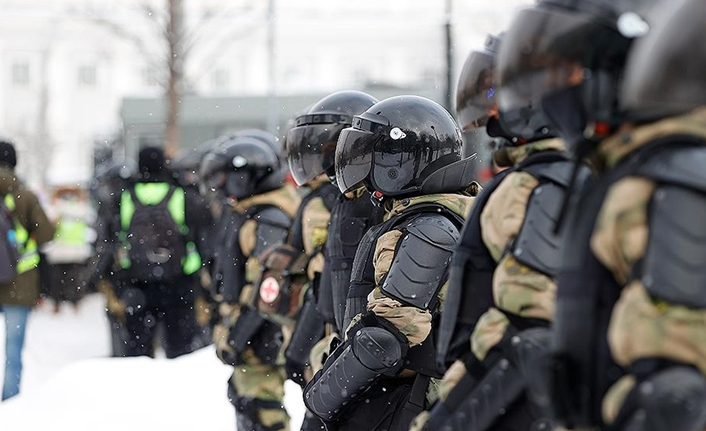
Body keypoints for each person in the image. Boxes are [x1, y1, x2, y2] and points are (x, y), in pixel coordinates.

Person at [495, 0, 702, 430]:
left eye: (567, 73)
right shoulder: (619, 172)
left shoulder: (670, 180)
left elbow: (675, 395)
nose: (552, 92)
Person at [416, 33, 591, 431]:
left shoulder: (535, 184)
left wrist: (455, 416)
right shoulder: (577, 175)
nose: (491, 105)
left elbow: (525, 330)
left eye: (499, 90)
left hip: (512, 399)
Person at [304, 95, 478, 431]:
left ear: (401, 162)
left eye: (373, 156)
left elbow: (384, 338)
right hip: (407, 392)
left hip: (419, 396)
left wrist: (323, 395)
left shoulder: (430, 227)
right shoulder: (421, 217)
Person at [282, 90, 381, 430]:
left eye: (326, 149)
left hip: (363, 355)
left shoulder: (374, 202)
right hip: (335, 344)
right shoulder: (344, 200)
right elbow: (325, 280)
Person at [201, 136, 300, 431]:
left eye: (226, 177)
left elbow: (269, 287)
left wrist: (238, 336)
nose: (221, 185)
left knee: (262, 410)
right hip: (254, 334)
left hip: (262, 334)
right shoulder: (253, 212)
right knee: (247, 401)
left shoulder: (268, 218)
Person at [91, 146, 209, 358]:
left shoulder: (125, 196)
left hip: (137, 284)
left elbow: (111, 236)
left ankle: (141, 388)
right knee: (180, 351)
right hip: (178, 282)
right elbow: (202, 232)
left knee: (138, 351)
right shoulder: (181, 195)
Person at [0, 140, 55, 400]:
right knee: (13, 351)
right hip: (19, 284)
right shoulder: (25, 195)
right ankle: (9, 404)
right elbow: (46, 234)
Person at [43, 185, 96, 311]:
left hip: (67, 250)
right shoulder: (79, 209)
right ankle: (69, 302)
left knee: (66, 279)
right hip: (67, 250)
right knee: (69, 279)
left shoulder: (61, 209)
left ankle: (67, 302)